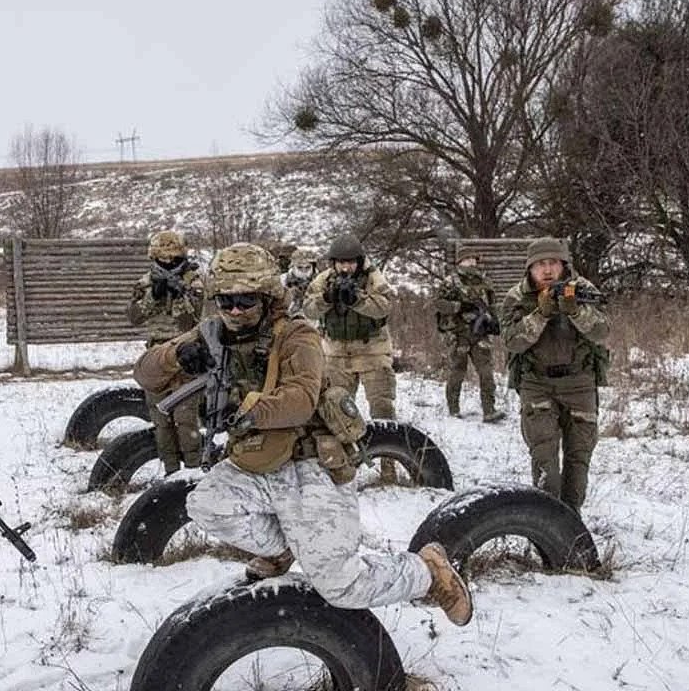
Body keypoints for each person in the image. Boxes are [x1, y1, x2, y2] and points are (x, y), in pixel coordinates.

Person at [133, 243, 472, 626]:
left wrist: (243, 408)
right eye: (225, 301)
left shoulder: (297, 335)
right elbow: (145, 374)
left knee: (342, 586)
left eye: (245, 300)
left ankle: (427, 572)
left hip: (311, 463)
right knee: (206, 504)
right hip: (258, 460)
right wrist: (175, 357)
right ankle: (285, 548)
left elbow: (299, 400)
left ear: (267, 296)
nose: (234, 311)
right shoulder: (212, 333)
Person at [499, 237, 609, 512]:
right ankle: (547, 524)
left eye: (553, 263)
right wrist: (541, 314)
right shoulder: (516, 297)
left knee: (578, 460)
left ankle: (570, 522)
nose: (547, 270)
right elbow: (512, 341)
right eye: (540, 264)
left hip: (579, 383)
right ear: (530, 269)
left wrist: (574, 311)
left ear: (563, 265)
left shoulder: (583, 290)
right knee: (544, 459)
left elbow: (601, 332)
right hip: (537, 384)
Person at [301, 233, 399, 481]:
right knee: (335, 413)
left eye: (351, 262)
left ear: (359, 261)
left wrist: (357, 299)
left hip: (372, 352)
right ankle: (342, 468)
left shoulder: (373, 278)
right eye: (341, 262)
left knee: (382, 408)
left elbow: (385, 306)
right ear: (333, 262)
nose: (346, 267)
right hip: (336, 353)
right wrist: (328, 298)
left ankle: (390, 466)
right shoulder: (323, 280)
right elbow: (308, 309)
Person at [126, 230, 205, 474]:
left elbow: (195, 318)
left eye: (173, 259)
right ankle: (171, 471)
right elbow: (134, 317)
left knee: (186, 419)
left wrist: (181, 293)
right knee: (161, 421)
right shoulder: (146, 282)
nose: (169, 263)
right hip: (156, 357)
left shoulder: (195, 280)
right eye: (163, 259)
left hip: (187, 356)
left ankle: (193, 471)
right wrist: (155, 296)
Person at [435, 247, 505, 422]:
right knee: (457, 372)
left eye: (474, 260)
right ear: (459, 262)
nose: (472, 263)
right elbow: (438, 304)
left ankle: (489, 410)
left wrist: (495, 322)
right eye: (468, 260)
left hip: (480, 333)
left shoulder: (485, 281)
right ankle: (453, 410)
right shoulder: (450, 281)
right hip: (458, 334)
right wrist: (460, 307)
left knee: (487, 372)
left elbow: (492, 304)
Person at [280, 246, 318, 316]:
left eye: (308, 267)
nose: (304, 271)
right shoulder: (282, 281)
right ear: (293, 267)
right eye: (300, 267)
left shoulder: (320, 281)